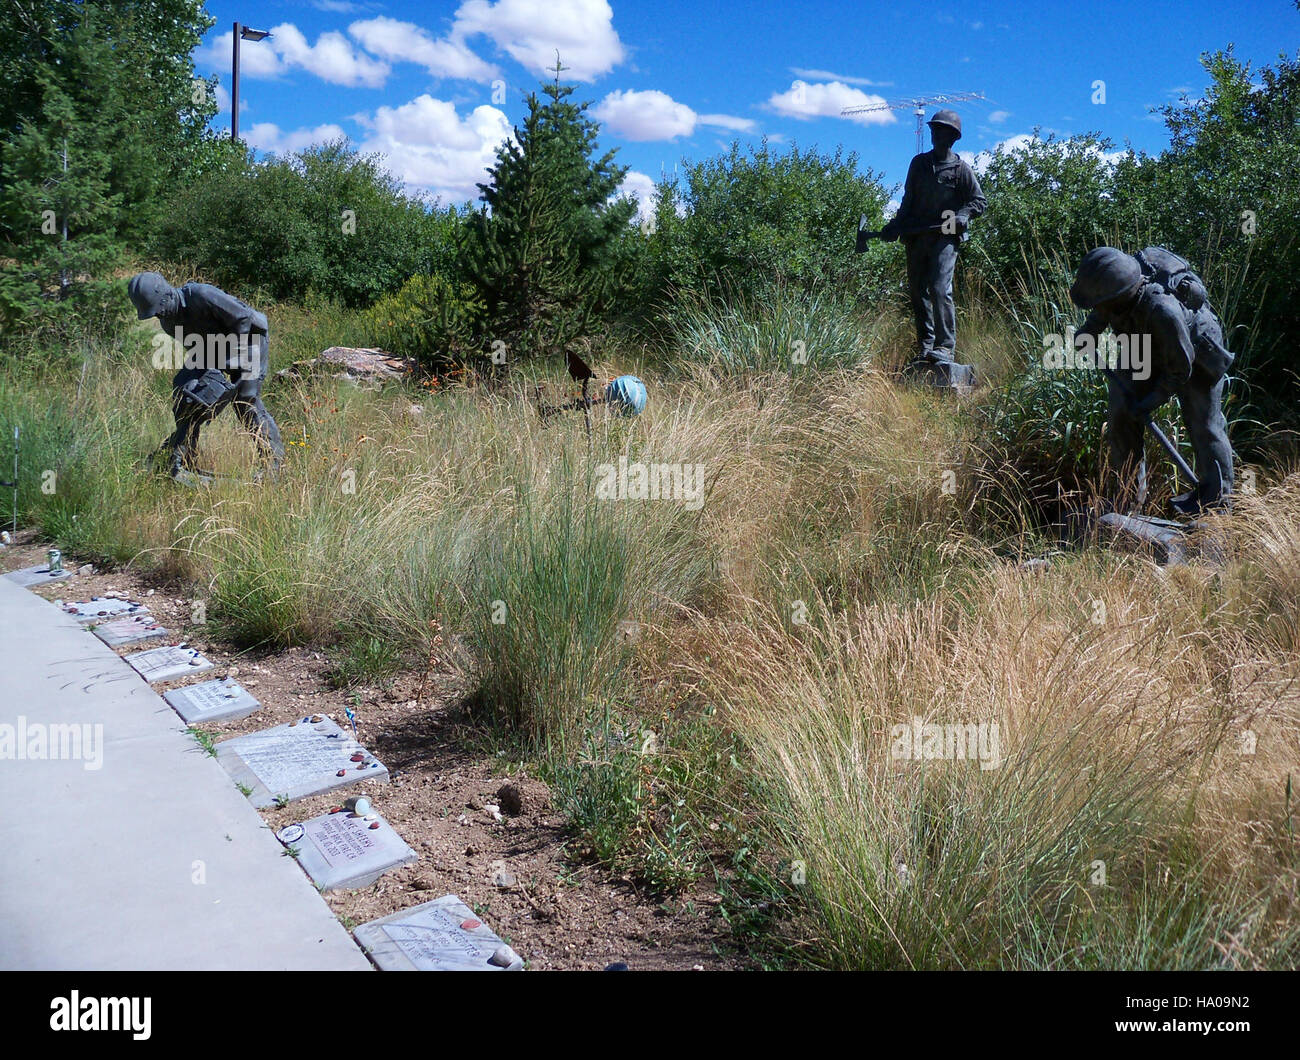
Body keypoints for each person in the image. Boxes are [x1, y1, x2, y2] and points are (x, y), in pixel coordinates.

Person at [1069, 247, 1234, 513]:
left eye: (1100, 303)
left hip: (1194, 349)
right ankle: (1128, 497)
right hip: (1143, 343)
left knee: (1205, 424)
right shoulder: (1115, 296)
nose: (1097, 307)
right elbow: (1101, 312)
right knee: (1121, 411)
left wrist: (1149, 402)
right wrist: (1088, 332)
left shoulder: (1163, 310)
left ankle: (1218, 503)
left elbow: (1180, 370)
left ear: (1119, 297)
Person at [127, 272, 284, 482]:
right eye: (155, 313)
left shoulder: (200, 295)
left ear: (167, 296)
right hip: (213, 348)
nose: (159, 315)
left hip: (249, 338)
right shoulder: (169, 322)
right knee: (188, 396)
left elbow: (243, 317)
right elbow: (197, 350)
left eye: (159, 309)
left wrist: (233, 359)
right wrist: (199, 384)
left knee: (246, 401)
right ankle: (182, 455)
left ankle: (275, 466)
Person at [880, 109, 986, 373]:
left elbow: (978, 201)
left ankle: (945, 346)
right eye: (934, 130)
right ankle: (926, 346)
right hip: (917, 236)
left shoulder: (962, 170)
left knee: (940, 288)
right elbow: (907, 201)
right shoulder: (918, 164)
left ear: (953, 137)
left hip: (946, 236)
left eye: (941, 131)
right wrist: (894, 226)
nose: (936, 135)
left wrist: (963, 214)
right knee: (917, 291)